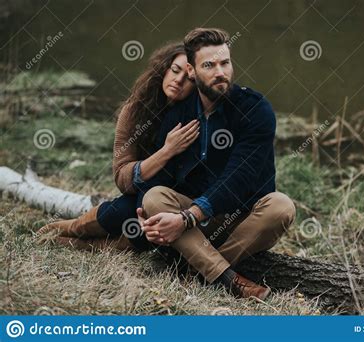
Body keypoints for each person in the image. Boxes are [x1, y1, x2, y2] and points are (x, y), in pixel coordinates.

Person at [134, 28, 296, 300]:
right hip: (196, 226)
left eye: (225, 63)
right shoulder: (178, 115)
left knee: (282, 207)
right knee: (154, 197)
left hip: (242, 222)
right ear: (192, 70)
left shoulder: (255, 109)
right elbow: (159, 178)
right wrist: (145, 216)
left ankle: (197, 270)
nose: (220, 72)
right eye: (209, 65)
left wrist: (187, 218)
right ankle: (230, 279)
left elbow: (239, 177)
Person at [36, 42, 197, 251]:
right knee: (119, 212)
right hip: (136, 194)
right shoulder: (134, 112)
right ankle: (68, 228)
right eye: (175, 70)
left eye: (189, 79)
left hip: (169, 203)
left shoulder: (197, 120)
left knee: (140, 225)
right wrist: (167, 151)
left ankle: (85, 245)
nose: (178, 80)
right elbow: (122, 178)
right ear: (163, 69)